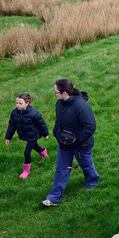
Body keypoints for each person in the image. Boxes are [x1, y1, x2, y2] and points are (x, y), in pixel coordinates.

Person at [41, 79, 99, 207]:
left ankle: (93, 180)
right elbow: (59, 121)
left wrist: (77, 141)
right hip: (64, 144)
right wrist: (56, 132)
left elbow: (90, 126)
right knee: (61, 169)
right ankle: (53, 198)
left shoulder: (81, 106)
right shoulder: (59, 103)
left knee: (86, 164)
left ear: (65, 93)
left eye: (56, 92)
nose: (55, 95)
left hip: (81, 145)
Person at [5, 92, 49, 180]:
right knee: (35, 146)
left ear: (27, 103)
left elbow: (42, 124)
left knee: (27, 152)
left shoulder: (34, 113)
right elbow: (12, 125)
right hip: (25, 134)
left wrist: (45, 134)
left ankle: (26, 171)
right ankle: (44, 154)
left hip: (34, 135)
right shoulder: (14, 113)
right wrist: (8, 137)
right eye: (16, 103)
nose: (17, 105)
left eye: (20, 103)